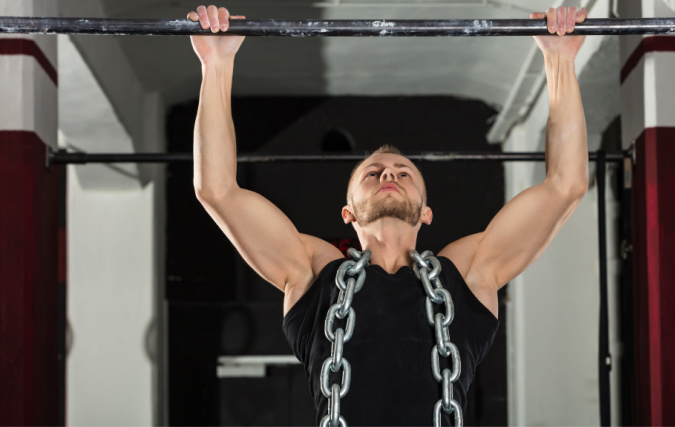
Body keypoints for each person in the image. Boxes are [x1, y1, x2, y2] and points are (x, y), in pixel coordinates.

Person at [188, 4, 588, 425]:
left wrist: (559, 60)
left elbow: (565, 186)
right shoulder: (311, 272)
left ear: (427, 213)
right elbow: (217, 190)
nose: (389, 174)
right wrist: (217, 63)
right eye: (372, 173)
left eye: (403, 172)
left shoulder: (468, 274)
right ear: (349, 214)